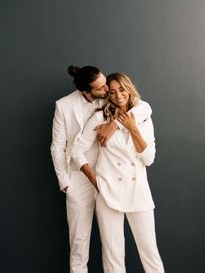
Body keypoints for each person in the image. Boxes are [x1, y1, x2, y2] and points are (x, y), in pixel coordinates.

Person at [50, 66, 152, 273]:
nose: (107, 89)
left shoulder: (109, 96)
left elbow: (144, 107)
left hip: (113, 176)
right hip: (80, 178)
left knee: (114, 244)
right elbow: (57, 147)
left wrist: (114, 124)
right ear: (86, 92)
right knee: (79, 241)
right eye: (101, 88)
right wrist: (65, 184)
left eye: (106, 83)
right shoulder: (63, 106)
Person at [71, 73, 165, 273]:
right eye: (112, 92)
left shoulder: (143, 117)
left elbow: (148, 159)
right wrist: (94, 179)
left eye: (121, 89)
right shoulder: (99, 117)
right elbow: (77, 150)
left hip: (138, 191)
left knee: (150, 253)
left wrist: (131, 128)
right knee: (113, 256)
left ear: (129, 88)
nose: (118, 95)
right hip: (108, 192)